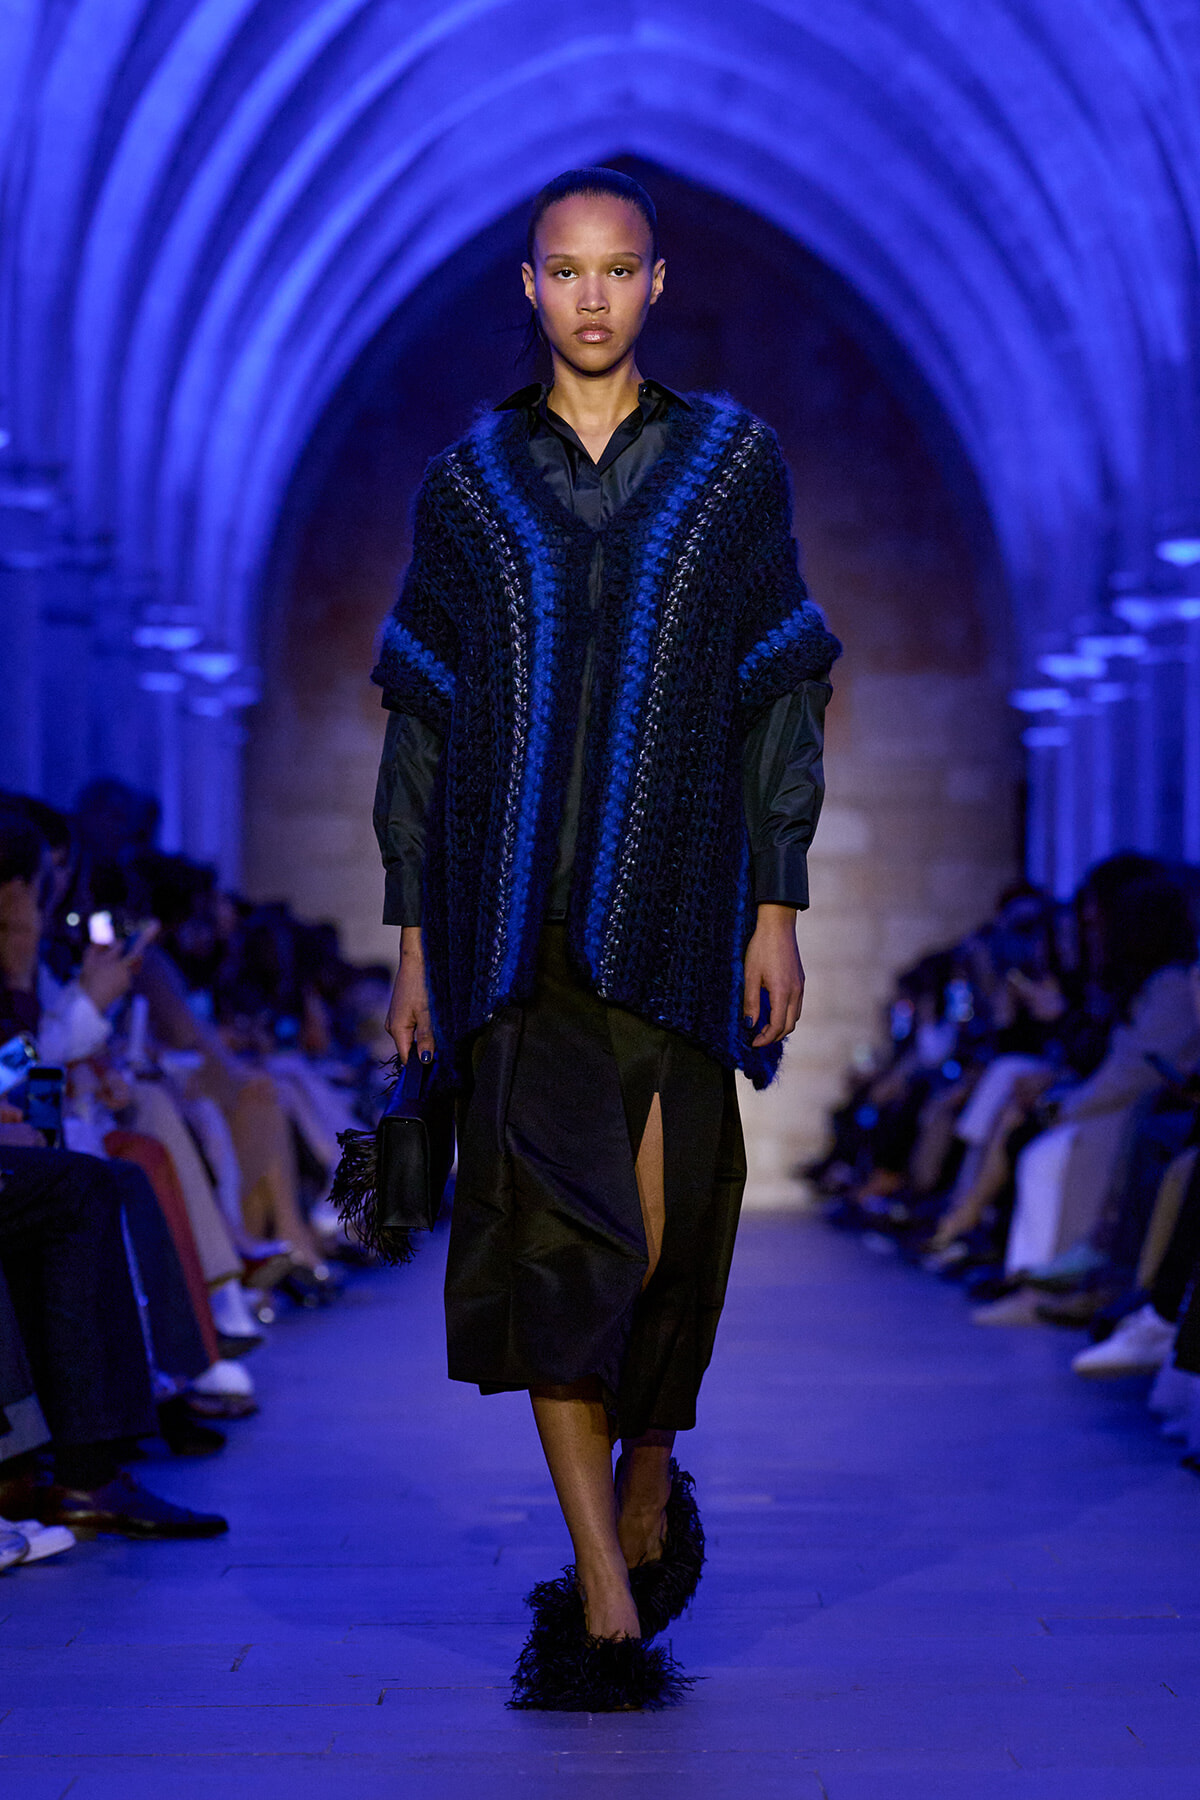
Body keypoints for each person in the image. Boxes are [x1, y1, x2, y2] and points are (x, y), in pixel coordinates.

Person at [369, 167, 839, 1709]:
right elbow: (423, 727)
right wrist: (416, 943)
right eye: (561, 270)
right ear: (526, 286)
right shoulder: (468, 483)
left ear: (654, 283)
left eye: (615, 269)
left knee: (654, 1254)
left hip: (685, 913)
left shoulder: (726, 467)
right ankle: (604, 1600)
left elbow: (780, 685)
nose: (588, 295)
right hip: (511, 933)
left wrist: (778, 903)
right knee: (561, 1260)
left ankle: (651, 1470)